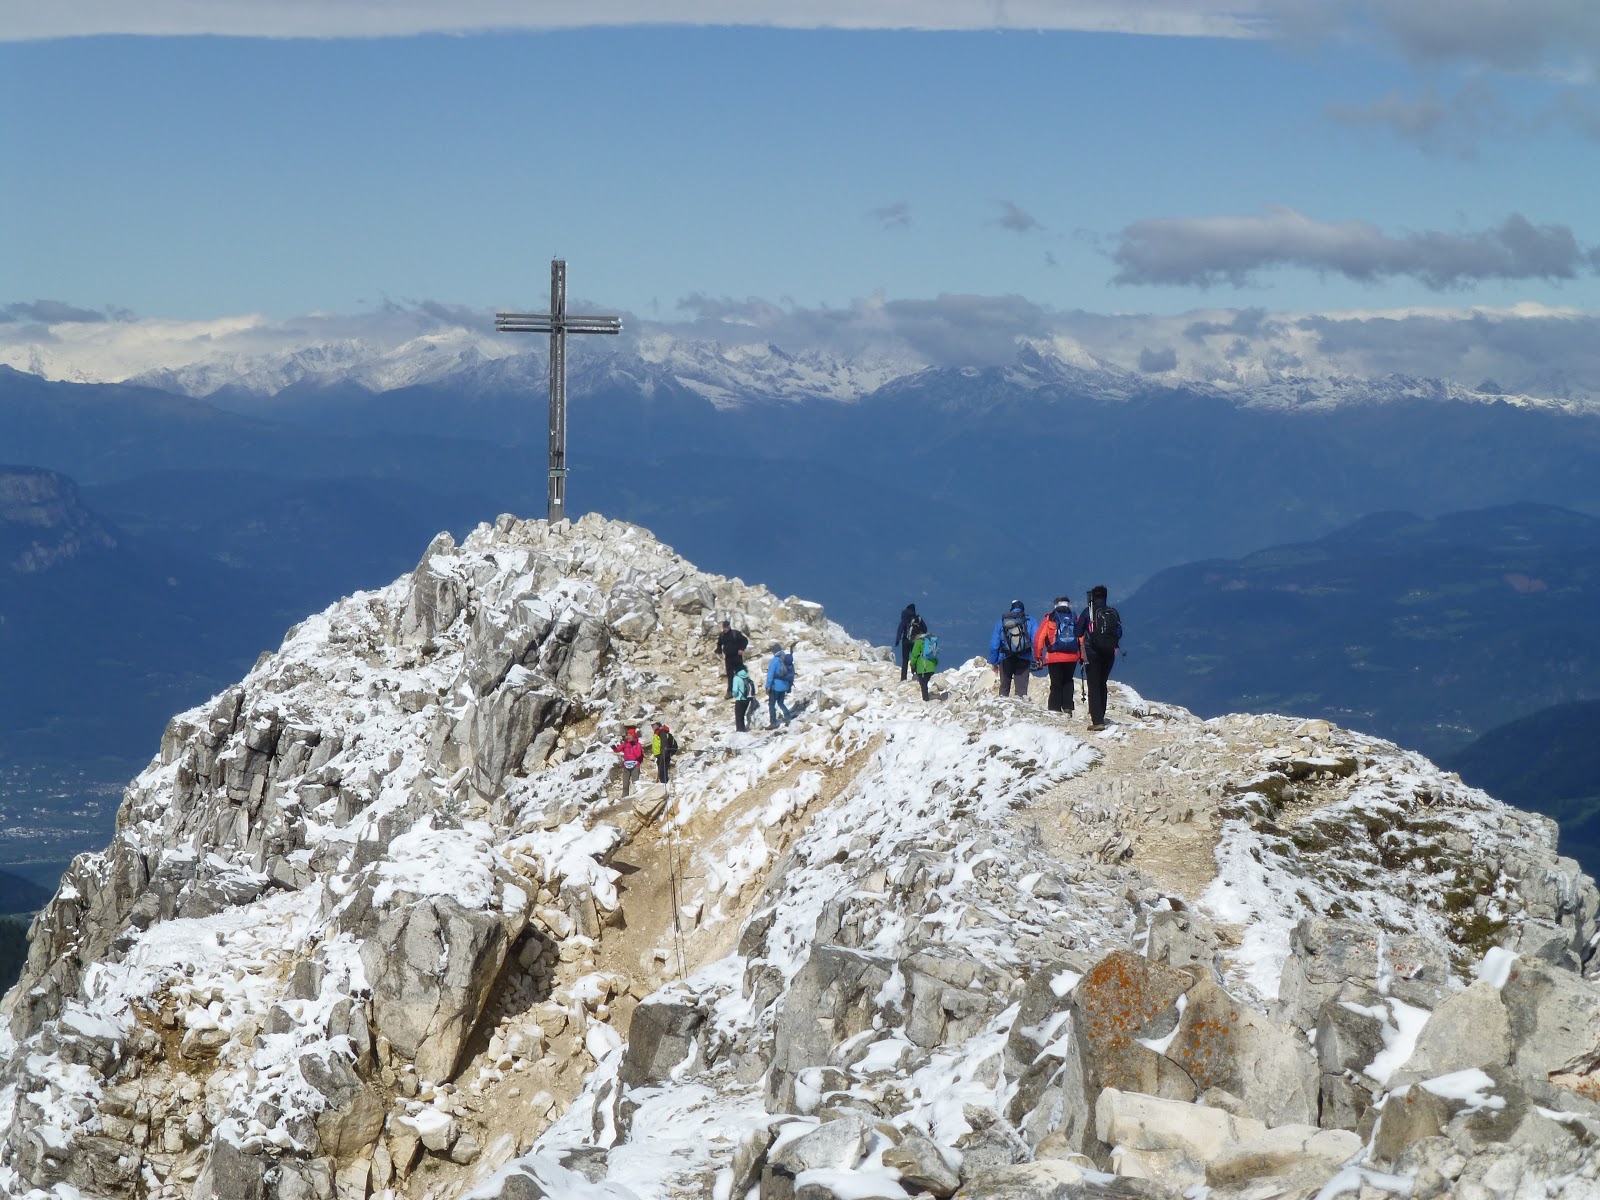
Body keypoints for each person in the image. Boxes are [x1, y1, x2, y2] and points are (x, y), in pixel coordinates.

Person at [1075, 585, 1123, 732]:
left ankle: (1097, 720)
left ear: (1092, 597)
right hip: (1109, 653)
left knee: (1094, 684)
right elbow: (1119, 632)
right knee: (1102, 682)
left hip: (1093, 653)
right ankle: (1101, 714)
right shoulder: (1112, 612)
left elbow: (1077, 631)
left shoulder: (1088, 613)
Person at [1033, 596, 1082, 715]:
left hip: (1054, 656)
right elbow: (1081, 638)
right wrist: (1081, 656)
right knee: (1068, 680)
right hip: (1072, 656)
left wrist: (1038, 657)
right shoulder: (1075, 617)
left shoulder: (1050, 618)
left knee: (1056, 682)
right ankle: (1067, 707)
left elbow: (1039, 638)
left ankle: (1054, 709)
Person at [988, 600, 1038, 698]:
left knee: (1004, 687)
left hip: (1005, 657)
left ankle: (1002, 708)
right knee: (1021, 690)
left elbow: (994, 644)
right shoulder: (1030, 621)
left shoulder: (1002, 622)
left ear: (1011, 609)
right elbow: (1036, 641)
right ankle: (1020, 709)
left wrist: (994, 662)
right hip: (1024, 657)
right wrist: (1036, 658)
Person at [714, 620, 749, 698]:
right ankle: (730, 692)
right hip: (728, 658)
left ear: (729, 626)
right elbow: (719, 644)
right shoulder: (722, 635)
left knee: (741, 672)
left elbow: (745, 640)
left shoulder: (735, 633)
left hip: (737, 656)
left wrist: (741, 649)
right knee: (730, 675)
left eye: (726, 627)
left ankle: (746, 688)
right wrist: (719, 652)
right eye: (724, 627)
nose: (725, 629)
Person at [893, 603, 926, 682]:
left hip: (905, 642)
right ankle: (916, 676)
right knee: (915, 658)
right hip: (915, 642)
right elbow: (925, 629)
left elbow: (900, 629)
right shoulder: (918, 619)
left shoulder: (905, 619)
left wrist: (897, 640)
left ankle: (903, 678)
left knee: (905, 660)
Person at [766, 641, 795, 727]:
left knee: (771, 704)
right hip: (784, 685)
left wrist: (768, 686)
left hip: (776, 686)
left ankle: (773, 723)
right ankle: (788, 717)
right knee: (781, 702)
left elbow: (770, 674)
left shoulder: (775, 661)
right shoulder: (786, 659)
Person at [611, 727, 645, 796]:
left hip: (635, 765)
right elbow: (617, 750)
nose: (628, 737)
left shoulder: (637, 745)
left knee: (635, 783)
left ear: (633, 735)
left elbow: (638, 755)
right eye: (627, 735)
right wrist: (614, 748)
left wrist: (633, 746)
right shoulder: (625, 744)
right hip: (626, 765)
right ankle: (624, 797)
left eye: (630, 735)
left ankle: (636, 796)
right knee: (625, 783)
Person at [909, 627, 940, 701]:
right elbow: (934, 654)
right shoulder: (930, 641)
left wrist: (912, 665)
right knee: (925, 682)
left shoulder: (919, 642)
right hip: (931, 666)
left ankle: (925, 699)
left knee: (923, 683)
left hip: (923, 666)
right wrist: (934, 664)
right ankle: (926, 698)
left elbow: (915, 655)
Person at [731, 664, 756, 732]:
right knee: (742, 715)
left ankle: (740, 730)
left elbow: (735, 690)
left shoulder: (736, 678)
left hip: (740, 699)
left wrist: (734, 695)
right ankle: (743, 729)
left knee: (738, 716)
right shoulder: (746, 676)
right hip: (747, 698)